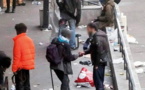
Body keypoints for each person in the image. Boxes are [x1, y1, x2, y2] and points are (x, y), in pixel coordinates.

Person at [80, 23, 109, 90]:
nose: (87, 31)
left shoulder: (97, 38)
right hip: (102, 61)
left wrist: (96, 64)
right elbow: (93, 48)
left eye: (88, 29)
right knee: (99, 80)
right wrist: (85, 52)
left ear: (92, 29)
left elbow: (98, 51)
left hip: (99, 62)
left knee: (98, 82)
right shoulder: (99, 35)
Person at [12, 23, 35, 90]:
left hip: (20, 67)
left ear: (17, 31)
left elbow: (17, 57)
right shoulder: (29, 40)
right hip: (27, 66)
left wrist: (14, 69)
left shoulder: (18, 41)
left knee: (20, 85)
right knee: (26, 84)